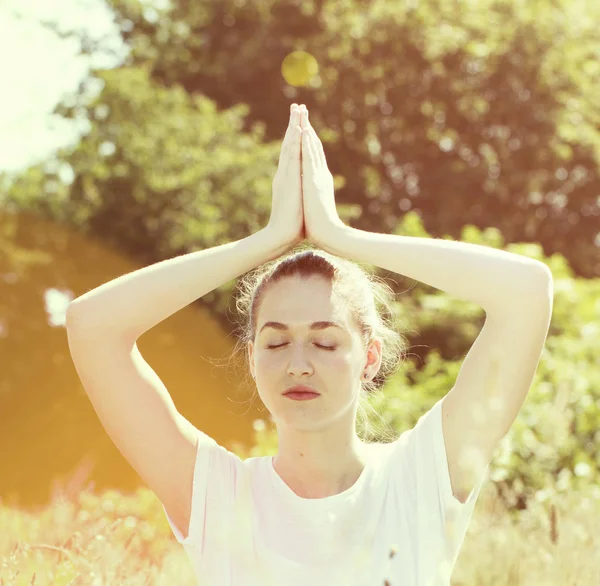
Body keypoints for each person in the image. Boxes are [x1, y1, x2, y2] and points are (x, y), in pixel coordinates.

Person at [66, 103, 553, 585]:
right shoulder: (218, 498)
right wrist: (269, 239)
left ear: (369, 357)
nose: (298, 365)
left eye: (324, 342)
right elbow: (91, 326)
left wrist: (340, 237)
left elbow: (527, 292)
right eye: (276, 344)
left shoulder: (421, 479)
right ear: (252, 358)